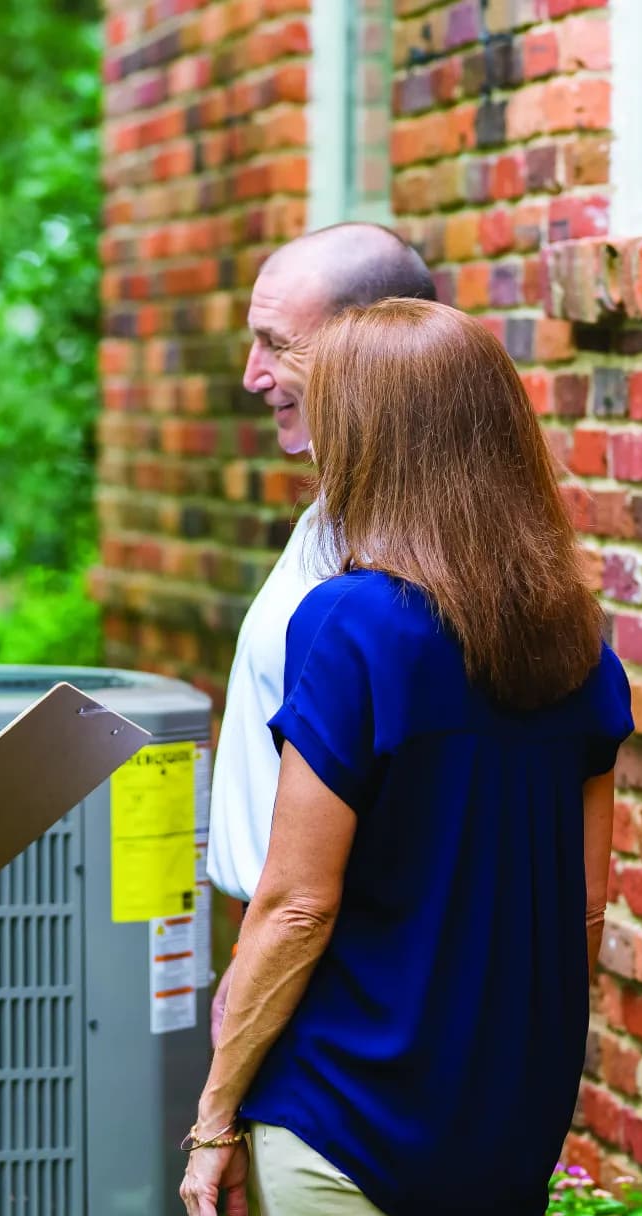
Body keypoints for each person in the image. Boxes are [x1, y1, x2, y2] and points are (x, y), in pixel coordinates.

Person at [178, 300, 632, 1216]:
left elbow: (297, 902)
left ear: (372, 441)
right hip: (502, 1122)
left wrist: (216, 1115)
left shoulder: (353, 624)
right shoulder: (577, 641)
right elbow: (584, 906)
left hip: (349, 1109)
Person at [208, 222, 436, 1039]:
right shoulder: (332, 516)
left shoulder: (402, 551)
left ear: (364, 345)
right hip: (283, 949)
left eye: (275, 343)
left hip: (328, 967)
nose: (252, 375)